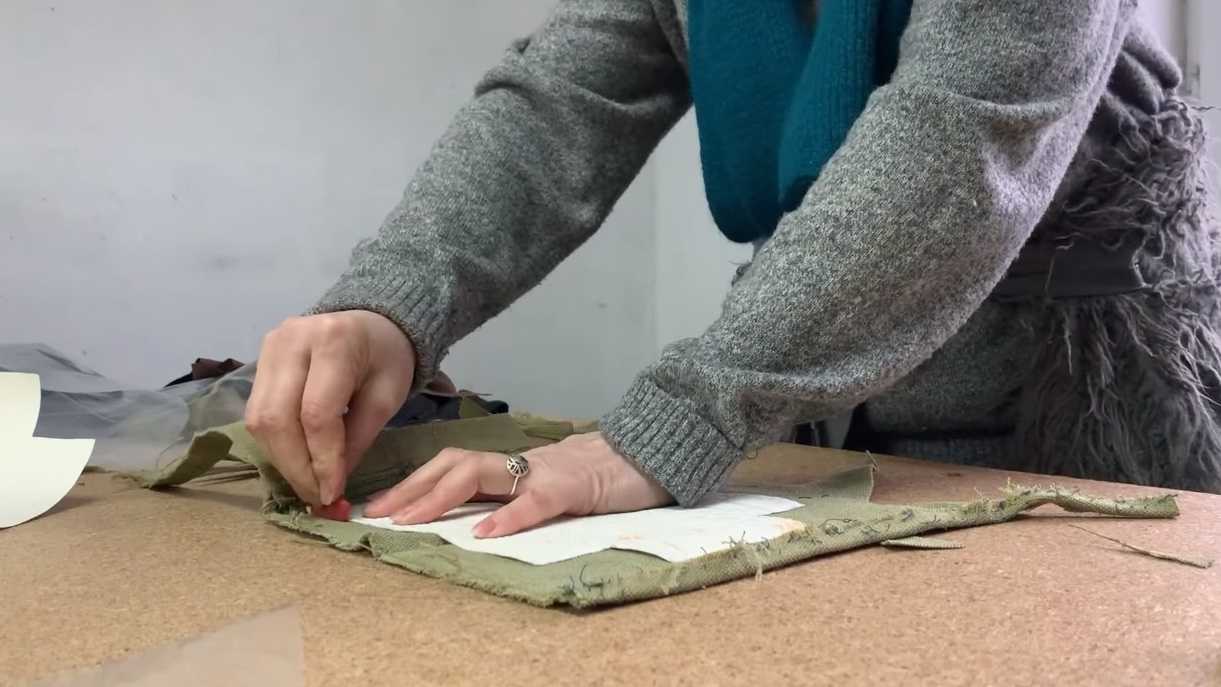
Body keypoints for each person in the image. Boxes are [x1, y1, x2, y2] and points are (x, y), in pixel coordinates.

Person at [245, 0, 1221, 537]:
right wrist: (390, 308)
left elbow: (956, 143)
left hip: (1081, 390)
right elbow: (559, 101)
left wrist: (671, 426)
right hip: (831, 382)